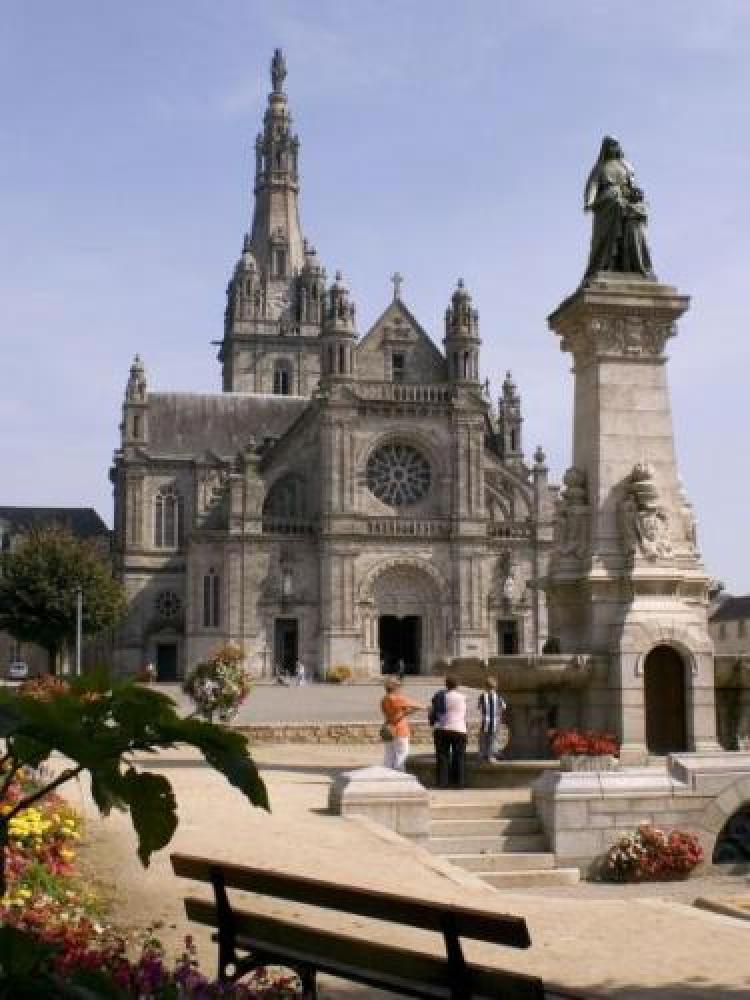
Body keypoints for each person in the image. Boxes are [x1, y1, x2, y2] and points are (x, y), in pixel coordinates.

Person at [583, 135, 654, 283]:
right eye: (611, 145)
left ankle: (633, 264)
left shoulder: (626, 166)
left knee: (635, 226)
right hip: (608, 204)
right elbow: (593, 186)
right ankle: (605, 264)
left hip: (627, 203)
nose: (614, 147)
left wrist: (636, 194)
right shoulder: (601, 168)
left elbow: (633, 186)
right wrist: (589, 201)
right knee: (606, 236)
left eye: (616, 144)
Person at [433, 676, 467, 789]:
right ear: (457, 685)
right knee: (459, 757)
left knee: (442, 756)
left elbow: (434, 710)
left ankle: (442, 782)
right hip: (459, 729)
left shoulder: (439, 696)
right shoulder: (462, 697)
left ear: (446, 684)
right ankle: (459, 783)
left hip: (442, 728)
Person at [380, 678, 421, 771]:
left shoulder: (384, 699)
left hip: (388, 728)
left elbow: (393, 713)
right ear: (395, 688)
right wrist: (408, 711)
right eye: (399, 688)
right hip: (399, 729)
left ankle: (387, 773)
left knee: (389, 754)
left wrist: (404, 710)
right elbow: (417, 705)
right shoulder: (397, 698)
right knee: (402, 754)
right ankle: (399, 774)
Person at [478, 677, 506, 763]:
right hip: (495, 721)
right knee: (493, 739)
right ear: (496, 687)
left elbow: (479, 707)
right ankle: (491, 756)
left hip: (485, 721)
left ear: (485, 686)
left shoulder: (482, 696)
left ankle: (482, 756)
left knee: (483, 739)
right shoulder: (498, 696)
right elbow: (504, 707)